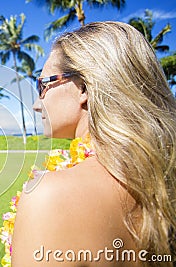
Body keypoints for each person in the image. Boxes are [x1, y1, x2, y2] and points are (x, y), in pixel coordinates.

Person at [11, 21, 176, 266]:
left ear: (83, 88)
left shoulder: (51, 196)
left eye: (43, 85)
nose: (37, 104)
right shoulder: (164, 179)